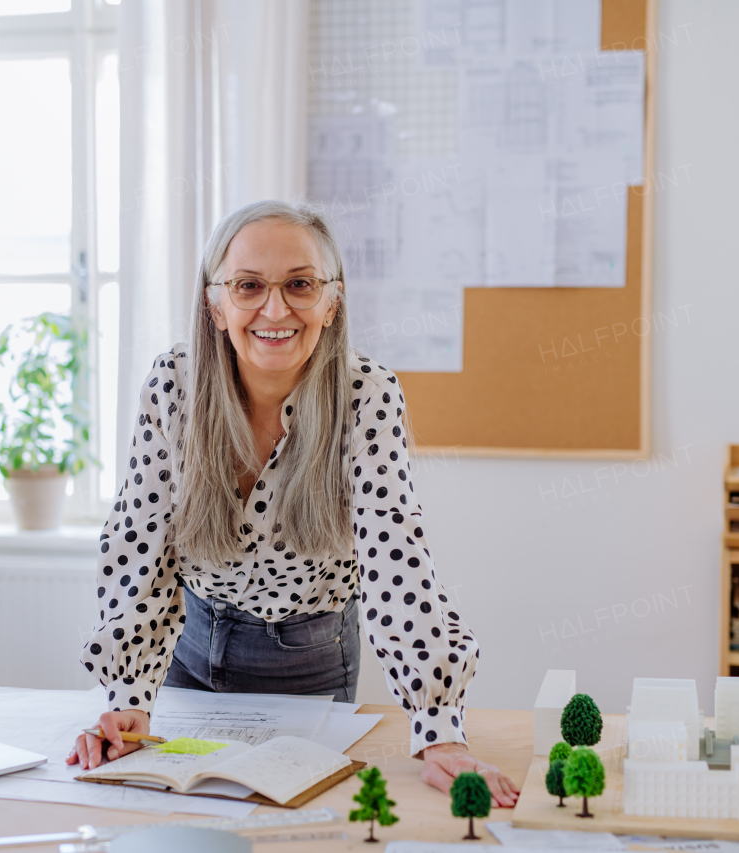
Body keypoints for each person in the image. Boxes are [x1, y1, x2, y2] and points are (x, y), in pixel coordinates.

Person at [68, 200, 517, 805]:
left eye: (300, 285)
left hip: (308, 658)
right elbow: (138, 544)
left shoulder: (368, 397)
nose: (274, 310)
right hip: (189, 646)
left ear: (331, 303)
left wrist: (440, 733)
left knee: (296, 823)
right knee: (178, 819)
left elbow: (396, 559)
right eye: (248, 286)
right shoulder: (172, 386)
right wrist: (127, 697)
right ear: (214, 303)